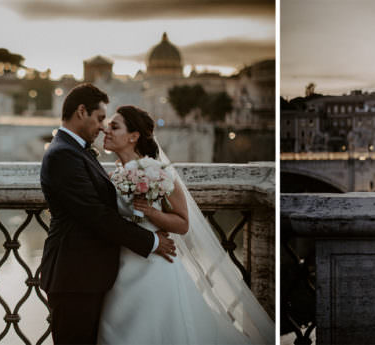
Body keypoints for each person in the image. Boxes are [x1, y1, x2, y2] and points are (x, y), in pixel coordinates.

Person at [96, 105, 273, 344]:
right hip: (119, 264)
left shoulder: (157, 173)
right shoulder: (112, 175)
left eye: (114, 127)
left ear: (134, 136)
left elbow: (182, 223)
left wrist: (151, 213)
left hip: (154, 263)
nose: (106, 131)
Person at [38, 84, 177, 344]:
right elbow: (96, 215)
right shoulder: (63, 155)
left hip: (87, 275)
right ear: (82, 111)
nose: (103, 127)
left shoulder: (74, 150)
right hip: (74, 278)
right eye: (100, 118)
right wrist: (152, 241)